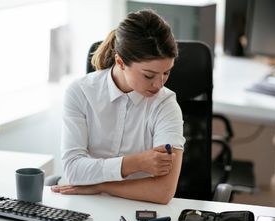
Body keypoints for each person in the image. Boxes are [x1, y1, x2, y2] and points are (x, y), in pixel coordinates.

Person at [51, 9, 185, 204]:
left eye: (166, 73)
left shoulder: (166, 105)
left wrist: (100, 186)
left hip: (137, 210)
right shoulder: (80, 93)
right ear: (121, 62)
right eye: (149, 75)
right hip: (83, 205)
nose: (159, 84)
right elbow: (73, 170)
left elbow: (163, 192)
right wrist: (137, 162)